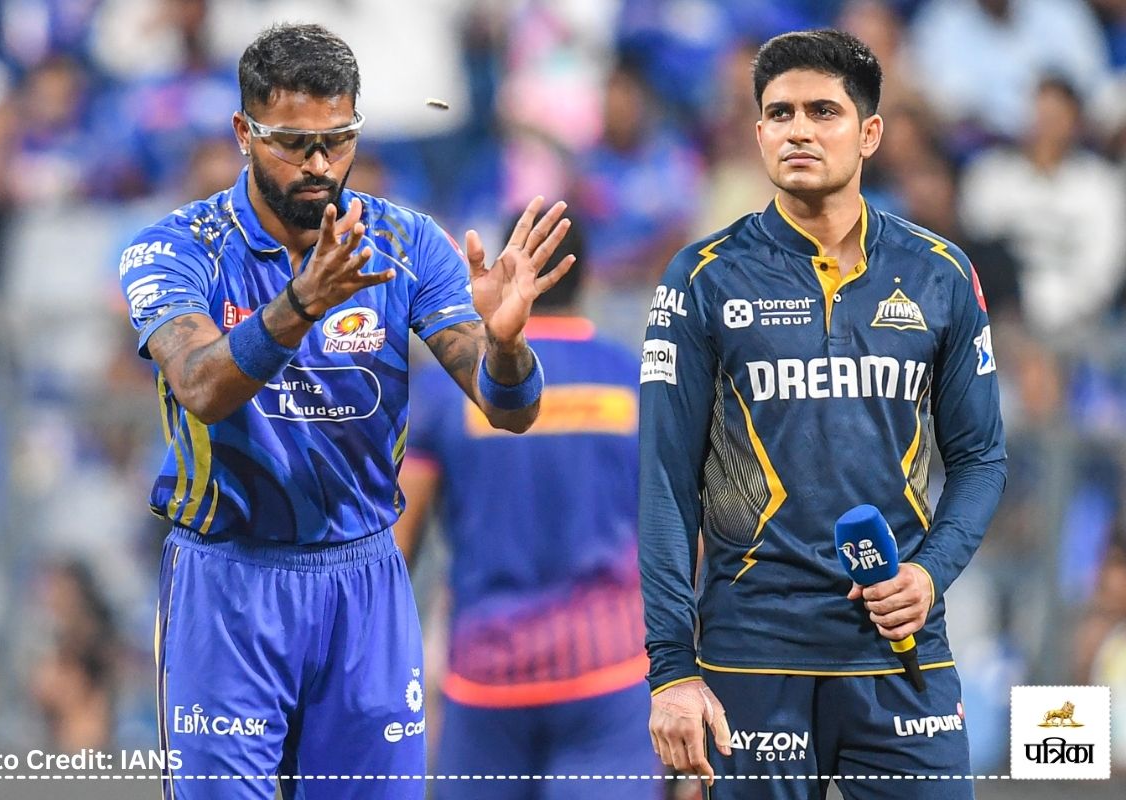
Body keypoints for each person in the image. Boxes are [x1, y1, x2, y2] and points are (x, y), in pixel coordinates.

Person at [118, 23, 572, 800]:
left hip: (364, 581)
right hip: (228, 580)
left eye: (337, 140)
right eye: (294, 143)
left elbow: (511, 410)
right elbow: (200, 385)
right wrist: (299, 305)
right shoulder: (177, 248)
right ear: (244, 132)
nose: (320, 165)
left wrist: (505, 346)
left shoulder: (407, 243)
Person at [639, 29, 1006, 799]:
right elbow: (666, 483)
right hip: (750, 651)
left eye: (822, 112)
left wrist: (930, 575)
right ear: (758, 132)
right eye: (779, 114)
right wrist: (671, 667)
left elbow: (981, 459)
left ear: (870, 133)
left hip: (900, 646)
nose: (798, 130)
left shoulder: (939, 274)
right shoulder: (702, 279)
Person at [394, 219, 660, 799]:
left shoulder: (445, 391)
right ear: (586, 277)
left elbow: (398, 543)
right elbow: (682, 536)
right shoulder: (634, 381)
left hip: (486, 675)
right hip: (609, 673)